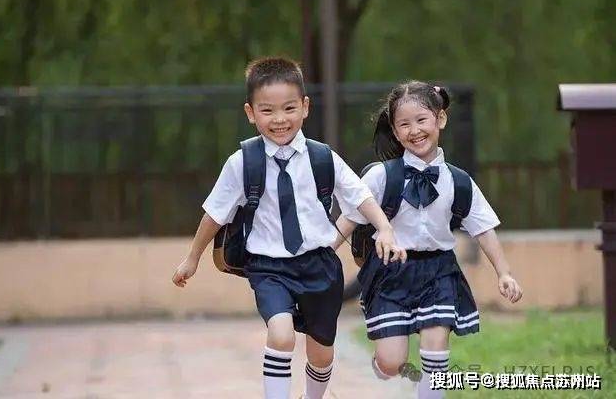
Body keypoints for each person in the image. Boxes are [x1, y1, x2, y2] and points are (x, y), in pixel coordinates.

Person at [172, 57, 406, 399]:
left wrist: (384, 228)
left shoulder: (322, 157)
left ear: (305, 107)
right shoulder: (242, 163)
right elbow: (215, 214)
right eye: (267, 110)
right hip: (269, 268)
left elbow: (360, 196)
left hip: (319, 266)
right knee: (280, 336)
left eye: (289, 108)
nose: (279, 119)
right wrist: (192, 258)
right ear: (251, 113)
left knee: (321, 355)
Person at [337, 80, 523, 398]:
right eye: (404, 124)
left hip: (439, 272)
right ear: (395, 131)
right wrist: (319, 256)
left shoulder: (459, 181)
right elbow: (349, 220)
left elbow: (483, 227)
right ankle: (386, 365)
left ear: (440, 119)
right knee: (392, 361)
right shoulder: (382, 176)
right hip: (390, 273)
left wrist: (504, 272)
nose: (415, 131)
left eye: (421, 120)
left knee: (436, 351)